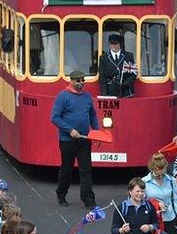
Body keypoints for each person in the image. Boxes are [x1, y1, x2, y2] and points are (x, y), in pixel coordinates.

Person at [51, 70, 98, 208]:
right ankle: (61, 193)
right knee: (66, 169)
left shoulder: (87, 96)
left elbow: (93, 115)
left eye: (83, 80)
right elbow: (55, 117)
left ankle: (88, 199)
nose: (81, 83)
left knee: (86, 170)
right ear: (71, 81)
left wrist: (96, 133)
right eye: (78, 81)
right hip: (67, 140)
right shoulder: (63, 97)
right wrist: (70, 130)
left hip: (84, 139)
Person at [97, 34, 135, 98]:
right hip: (110, 90)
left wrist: (125, 83)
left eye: (115, 44)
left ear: (120, 44)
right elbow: (102, 77)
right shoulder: (103, 57)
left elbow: (133, 74)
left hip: (126, 91)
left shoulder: (128, 56)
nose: (113, 46)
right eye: (111, 44)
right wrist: (104, 93)